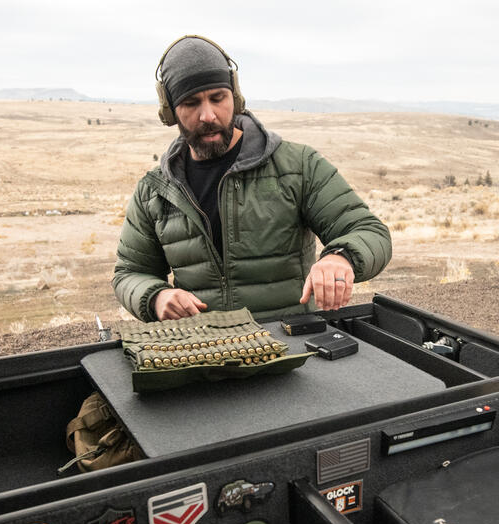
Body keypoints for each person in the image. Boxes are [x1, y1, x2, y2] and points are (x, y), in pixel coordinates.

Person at [113, 35, 391, 322]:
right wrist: (156, 297)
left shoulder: (297, 166)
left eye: (218, 98)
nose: (207, 115)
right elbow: (130, 272)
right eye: (191, 102)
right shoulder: (155, 191)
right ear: (170, 111)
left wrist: (340, 257)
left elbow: (370, 232)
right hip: (202, 351)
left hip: (291, 346)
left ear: (235, 96)